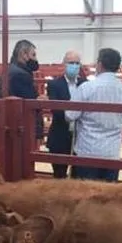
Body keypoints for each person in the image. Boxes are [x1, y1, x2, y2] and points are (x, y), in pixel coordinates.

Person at [64, 48, 122, 182]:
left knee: (84, 191)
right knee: (108, 192)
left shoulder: (86, 88)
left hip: (87, 151)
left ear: (99, 64)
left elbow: (70, 115)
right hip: (112, 153)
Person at [46, 50, 87, 179]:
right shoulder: (54, 84)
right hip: (60, 135)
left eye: (77, 63)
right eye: (71, 63)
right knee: (59, 175)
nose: (74, 66)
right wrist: (71, 115)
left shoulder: (85, 84)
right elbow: (56, 109)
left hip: (81, 137)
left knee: (78, 176)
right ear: (64, 64)